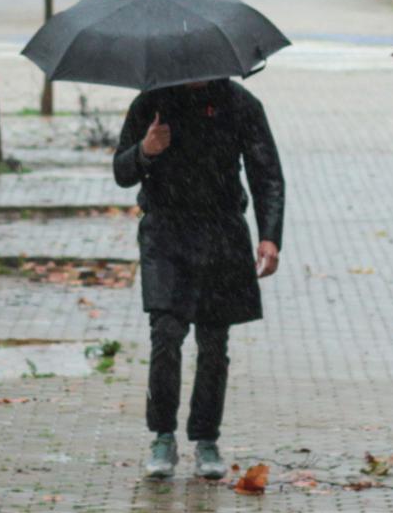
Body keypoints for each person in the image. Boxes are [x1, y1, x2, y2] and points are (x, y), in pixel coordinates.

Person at [114, 78, 284, 480]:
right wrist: (145, 151)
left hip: (222, 232)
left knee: (213, 341)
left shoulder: (240, 103)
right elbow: (121, 171)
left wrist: (270, 236)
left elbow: (267, 173)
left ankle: (206, 439)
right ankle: (162, 436)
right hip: (165, 230)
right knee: (166, 333)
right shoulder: (152, 101)